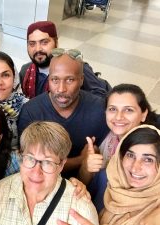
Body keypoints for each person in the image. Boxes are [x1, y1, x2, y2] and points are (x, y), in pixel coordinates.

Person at [0, 121, 99, 225]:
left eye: (47, 162)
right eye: (30, 158)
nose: (36, 172)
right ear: (20, 157)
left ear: (61, 165)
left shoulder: (81, 208)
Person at [18, 48, 109, 179]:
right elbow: (29, 162)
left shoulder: (100, 109)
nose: (61, 89)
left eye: (70, 80)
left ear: (82, 80)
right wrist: (81, 159)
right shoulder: (31, 112)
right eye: (55, 80)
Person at [79, 83, 160, 212]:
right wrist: (87, 166)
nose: (118, 117)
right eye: (112, 109)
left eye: (128, 110)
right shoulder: (104, 137)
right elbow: (83, 183)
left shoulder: (154, 145)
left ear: (144, 114)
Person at [19, 20, 111, 99]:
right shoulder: (25, 71)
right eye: (32, 44)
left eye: (44, 42)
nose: (38, 49)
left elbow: (99, 98)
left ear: (56, 43)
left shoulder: (75, 67)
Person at [100, 124, 160, 225]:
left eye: (148, 159)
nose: (135, 168)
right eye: (130, 155)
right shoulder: (112, 187)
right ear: (120, 157)